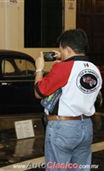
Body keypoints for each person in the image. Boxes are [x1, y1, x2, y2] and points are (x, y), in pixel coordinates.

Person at [34, 29, 102, 170]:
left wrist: (39, 69)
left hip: (63, 128)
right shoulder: (95, 69)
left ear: (68, 49)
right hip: (86, 126)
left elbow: (39, 92)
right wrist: (64, 57)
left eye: (61, 49)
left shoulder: (63, 68)